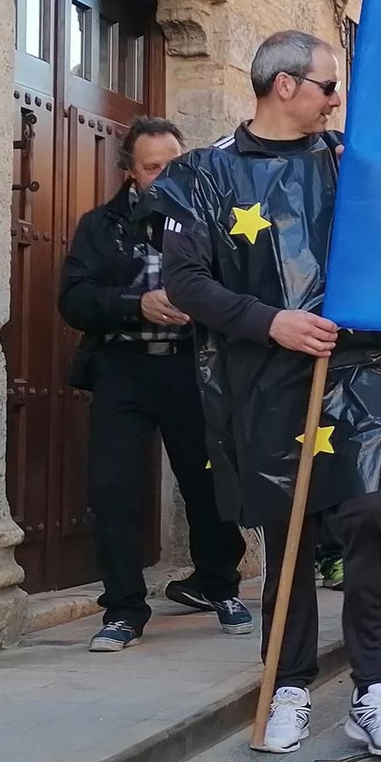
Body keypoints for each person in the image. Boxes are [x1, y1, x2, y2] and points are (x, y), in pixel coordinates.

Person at [150, 29, 381, 758]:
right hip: (266, 374)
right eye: (330, 85)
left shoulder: (355, 165)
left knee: (371, 508)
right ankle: (290, 684)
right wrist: (273, 322)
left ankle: (374, 687)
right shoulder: (203, 175)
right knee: (287, 532)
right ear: (286, 85)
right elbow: (185, 282)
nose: (339, 99)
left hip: (359, 364)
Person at [59, 117, 249, 652]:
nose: (165, 175)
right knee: (114, 487)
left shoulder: (209, 220)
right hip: (124, 367)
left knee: (210, 482)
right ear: (129, 172)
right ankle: (123, 608)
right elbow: (73, 300)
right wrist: (133, 304)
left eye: (174, 164)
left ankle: (219, 583)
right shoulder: (100, 226)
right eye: (152, 167)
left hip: (193, 367)